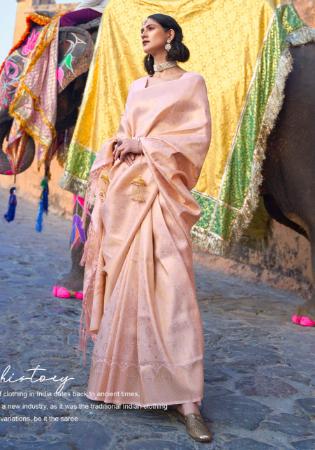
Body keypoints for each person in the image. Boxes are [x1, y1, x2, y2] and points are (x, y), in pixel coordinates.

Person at [79, 13, 212, 443]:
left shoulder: (192, 84)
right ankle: (123, 382)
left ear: (170, 35)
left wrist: (147, 145)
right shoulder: (138, 87)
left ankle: (187, 399)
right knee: (127, 286)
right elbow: (123, 131)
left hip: (162, 197)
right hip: (126, 192)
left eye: (151, 28)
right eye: (140, 30)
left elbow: (196, 140)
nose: (143, 33)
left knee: (172, 289)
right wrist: (118, 146)